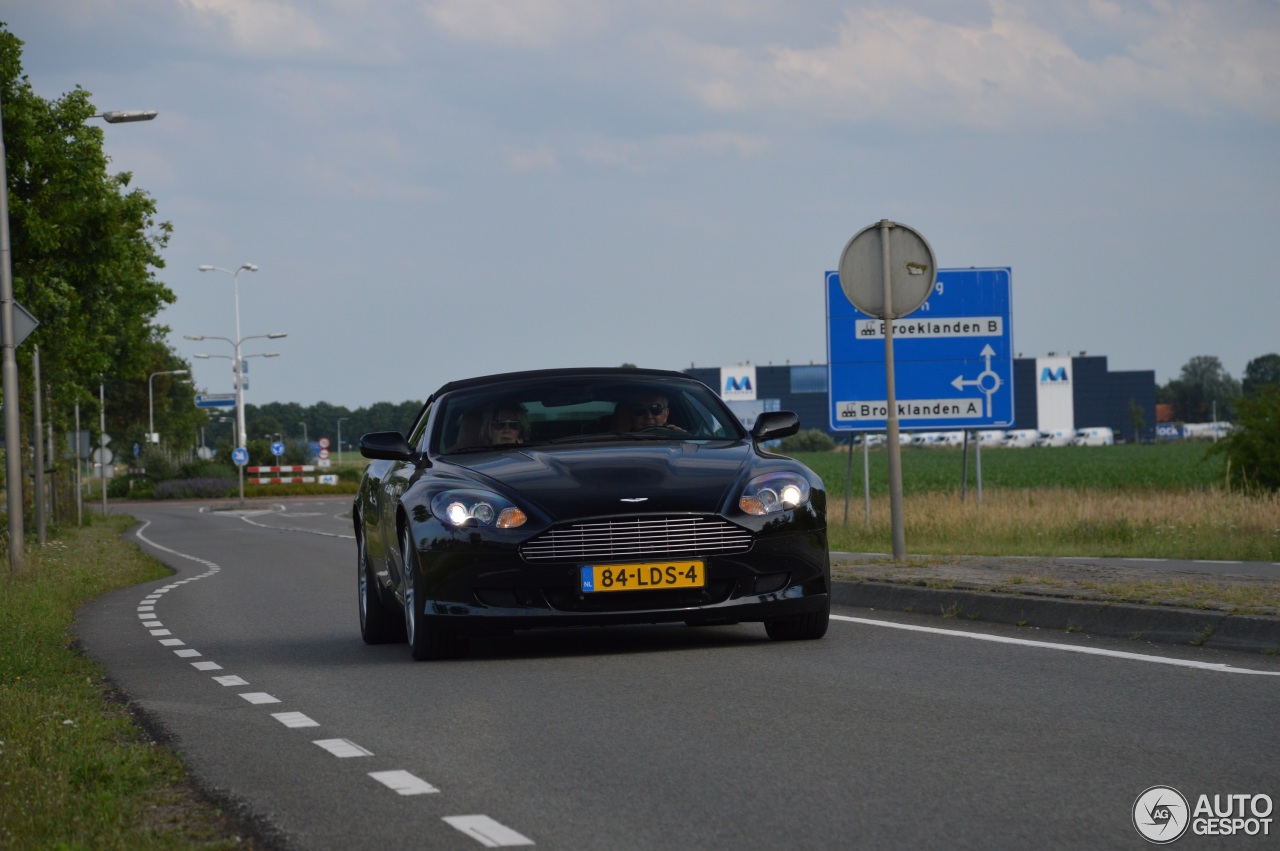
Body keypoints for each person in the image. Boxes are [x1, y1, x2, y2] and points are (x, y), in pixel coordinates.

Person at [615, 390, 685, 433]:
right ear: (631, 415)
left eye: (656, 409)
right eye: (640, 410)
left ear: (666, 414)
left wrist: (683, 437)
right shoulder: (613, 442)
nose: (648, 416)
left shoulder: (675, 442)